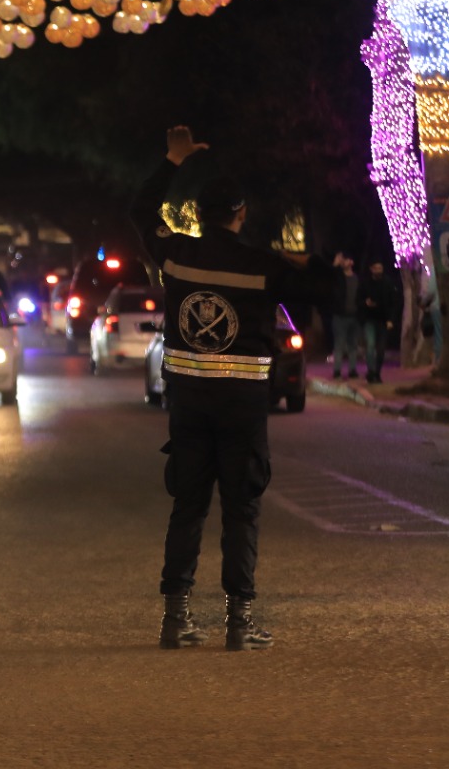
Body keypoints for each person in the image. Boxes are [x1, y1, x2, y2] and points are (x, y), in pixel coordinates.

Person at [131, 126, 333, 651]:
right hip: (244, 409)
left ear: (198, 215)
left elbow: (141, 210)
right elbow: (326, 291)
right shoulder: (262, 266)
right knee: (242, 510)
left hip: (189, 404)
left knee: (188, 507)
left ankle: (175, 621)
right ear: (240, 215)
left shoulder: (176, 257)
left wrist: (172, 161)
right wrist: (316, 263)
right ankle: (239, 626)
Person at [357, 260, 396, 383]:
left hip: (383, 320)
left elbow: (393, 302)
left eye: (380, 268)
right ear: (371, 269)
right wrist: (365, 303)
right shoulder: (365, 283)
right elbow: (358, 300)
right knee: (370, 345)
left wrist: (391, 319)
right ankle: (371, 371)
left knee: (381, 349)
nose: (379, 271)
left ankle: (377, 372)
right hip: (369, 319)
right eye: (376, 268)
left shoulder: (387, 283)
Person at [329, 253, 364, 379]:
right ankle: (337, 371)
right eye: (343, 260)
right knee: (339, 344)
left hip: (354, 316)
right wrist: (335, 264)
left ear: (352, 262)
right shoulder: (338, 277)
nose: (344, 261)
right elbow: (329, 277)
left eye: (346, 259)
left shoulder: (357, 278)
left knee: (353, 345)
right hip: (340, 316)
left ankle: (352, 370)